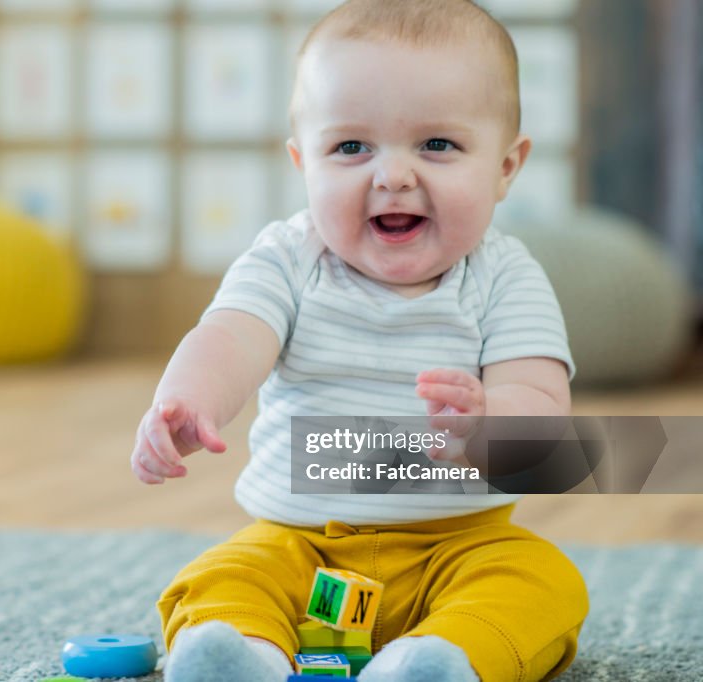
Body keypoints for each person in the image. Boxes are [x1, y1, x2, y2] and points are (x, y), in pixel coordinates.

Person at [130, 1, 589, 680]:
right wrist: (188, 400)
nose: (393, 175)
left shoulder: (506, 277)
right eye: (350, 147)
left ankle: (437, 662)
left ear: (505, 166)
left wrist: (496, 424)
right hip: (298, 545)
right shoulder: (288, 259)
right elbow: (230, 336)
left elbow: (542, 406)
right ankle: (243, 656)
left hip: (459, 548)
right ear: (302, 162)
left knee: (545, 583)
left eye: (437, 144)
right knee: (220, 577)